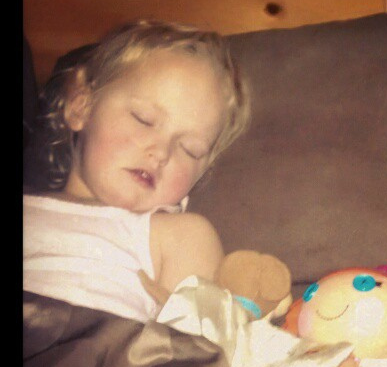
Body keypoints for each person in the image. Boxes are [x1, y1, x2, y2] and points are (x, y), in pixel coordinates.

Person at [23, 20, 250, 323]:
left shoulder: (178, 236)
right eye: (143, 119)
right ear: (81, 106)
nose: (161, 153)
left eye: (189, 149)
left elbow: (199, 345)